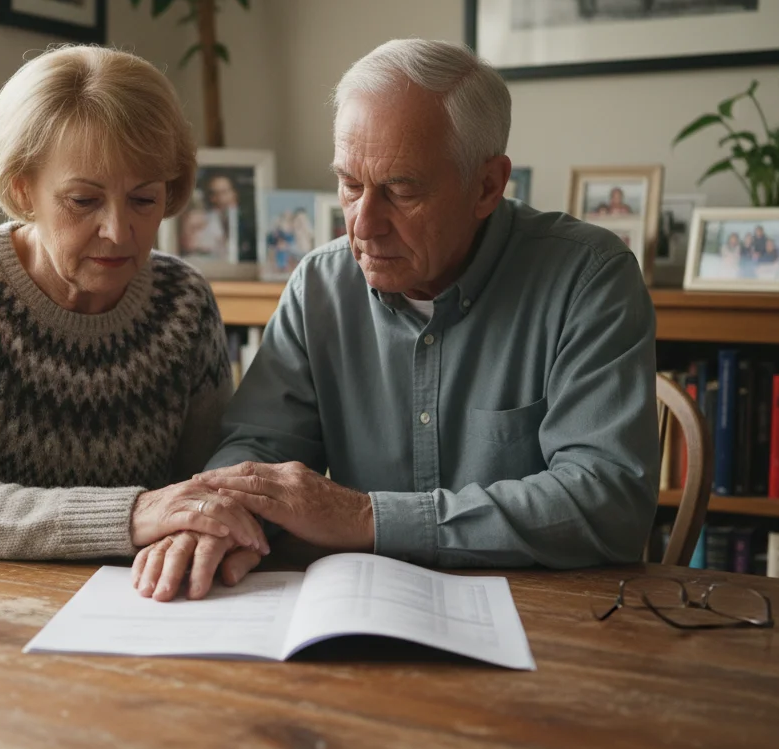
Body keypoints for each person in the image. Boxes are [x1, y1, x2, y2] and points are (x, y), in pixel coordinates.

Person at [133, 39, 659, 596]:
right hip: (363, 606)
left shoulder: (589, 279)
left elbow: (608, 502)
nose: (363, 224)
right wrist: (219, 520)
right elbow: (259, 449)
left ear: (487, 185)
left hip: (546, 618)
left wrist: (367, 519)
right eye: (350, 185)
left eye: (401, 191)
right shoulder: (321, 284)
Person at [0, 45, 270, 599]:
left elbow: (205, 484)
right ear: (22, 190)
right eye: (83, 200)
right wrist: (130, 514)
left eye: (143, 199)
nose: (118, 230)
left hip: (145, 605)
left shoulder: (183, 301)